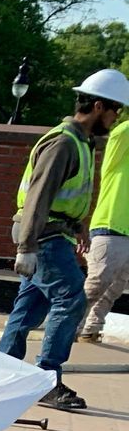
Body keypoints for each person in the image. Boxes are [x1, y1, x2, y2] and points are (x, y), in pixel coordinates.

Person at [0, 69, 129, 410]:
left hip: (53, 233)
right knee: (70, 298)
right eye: (117, 112)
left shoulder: (81, 142)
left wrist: (78, 226)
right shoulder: (64, 143)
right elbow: (39, 197)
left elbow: (64, 196)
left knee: (28, 308)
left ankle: (2, 373)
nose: (117, 120)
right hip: (43, 236)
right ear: (99, 106)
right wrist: (26, 248)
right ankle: (46, 380)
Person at [78, 92, 129, 341]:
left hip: (126, 233)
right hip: (110, 227)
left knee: (115, 288)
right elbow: (121, 131)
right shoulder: (120, 147)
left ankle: (91, 327)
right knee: (96, 284)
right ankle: (69, 327)